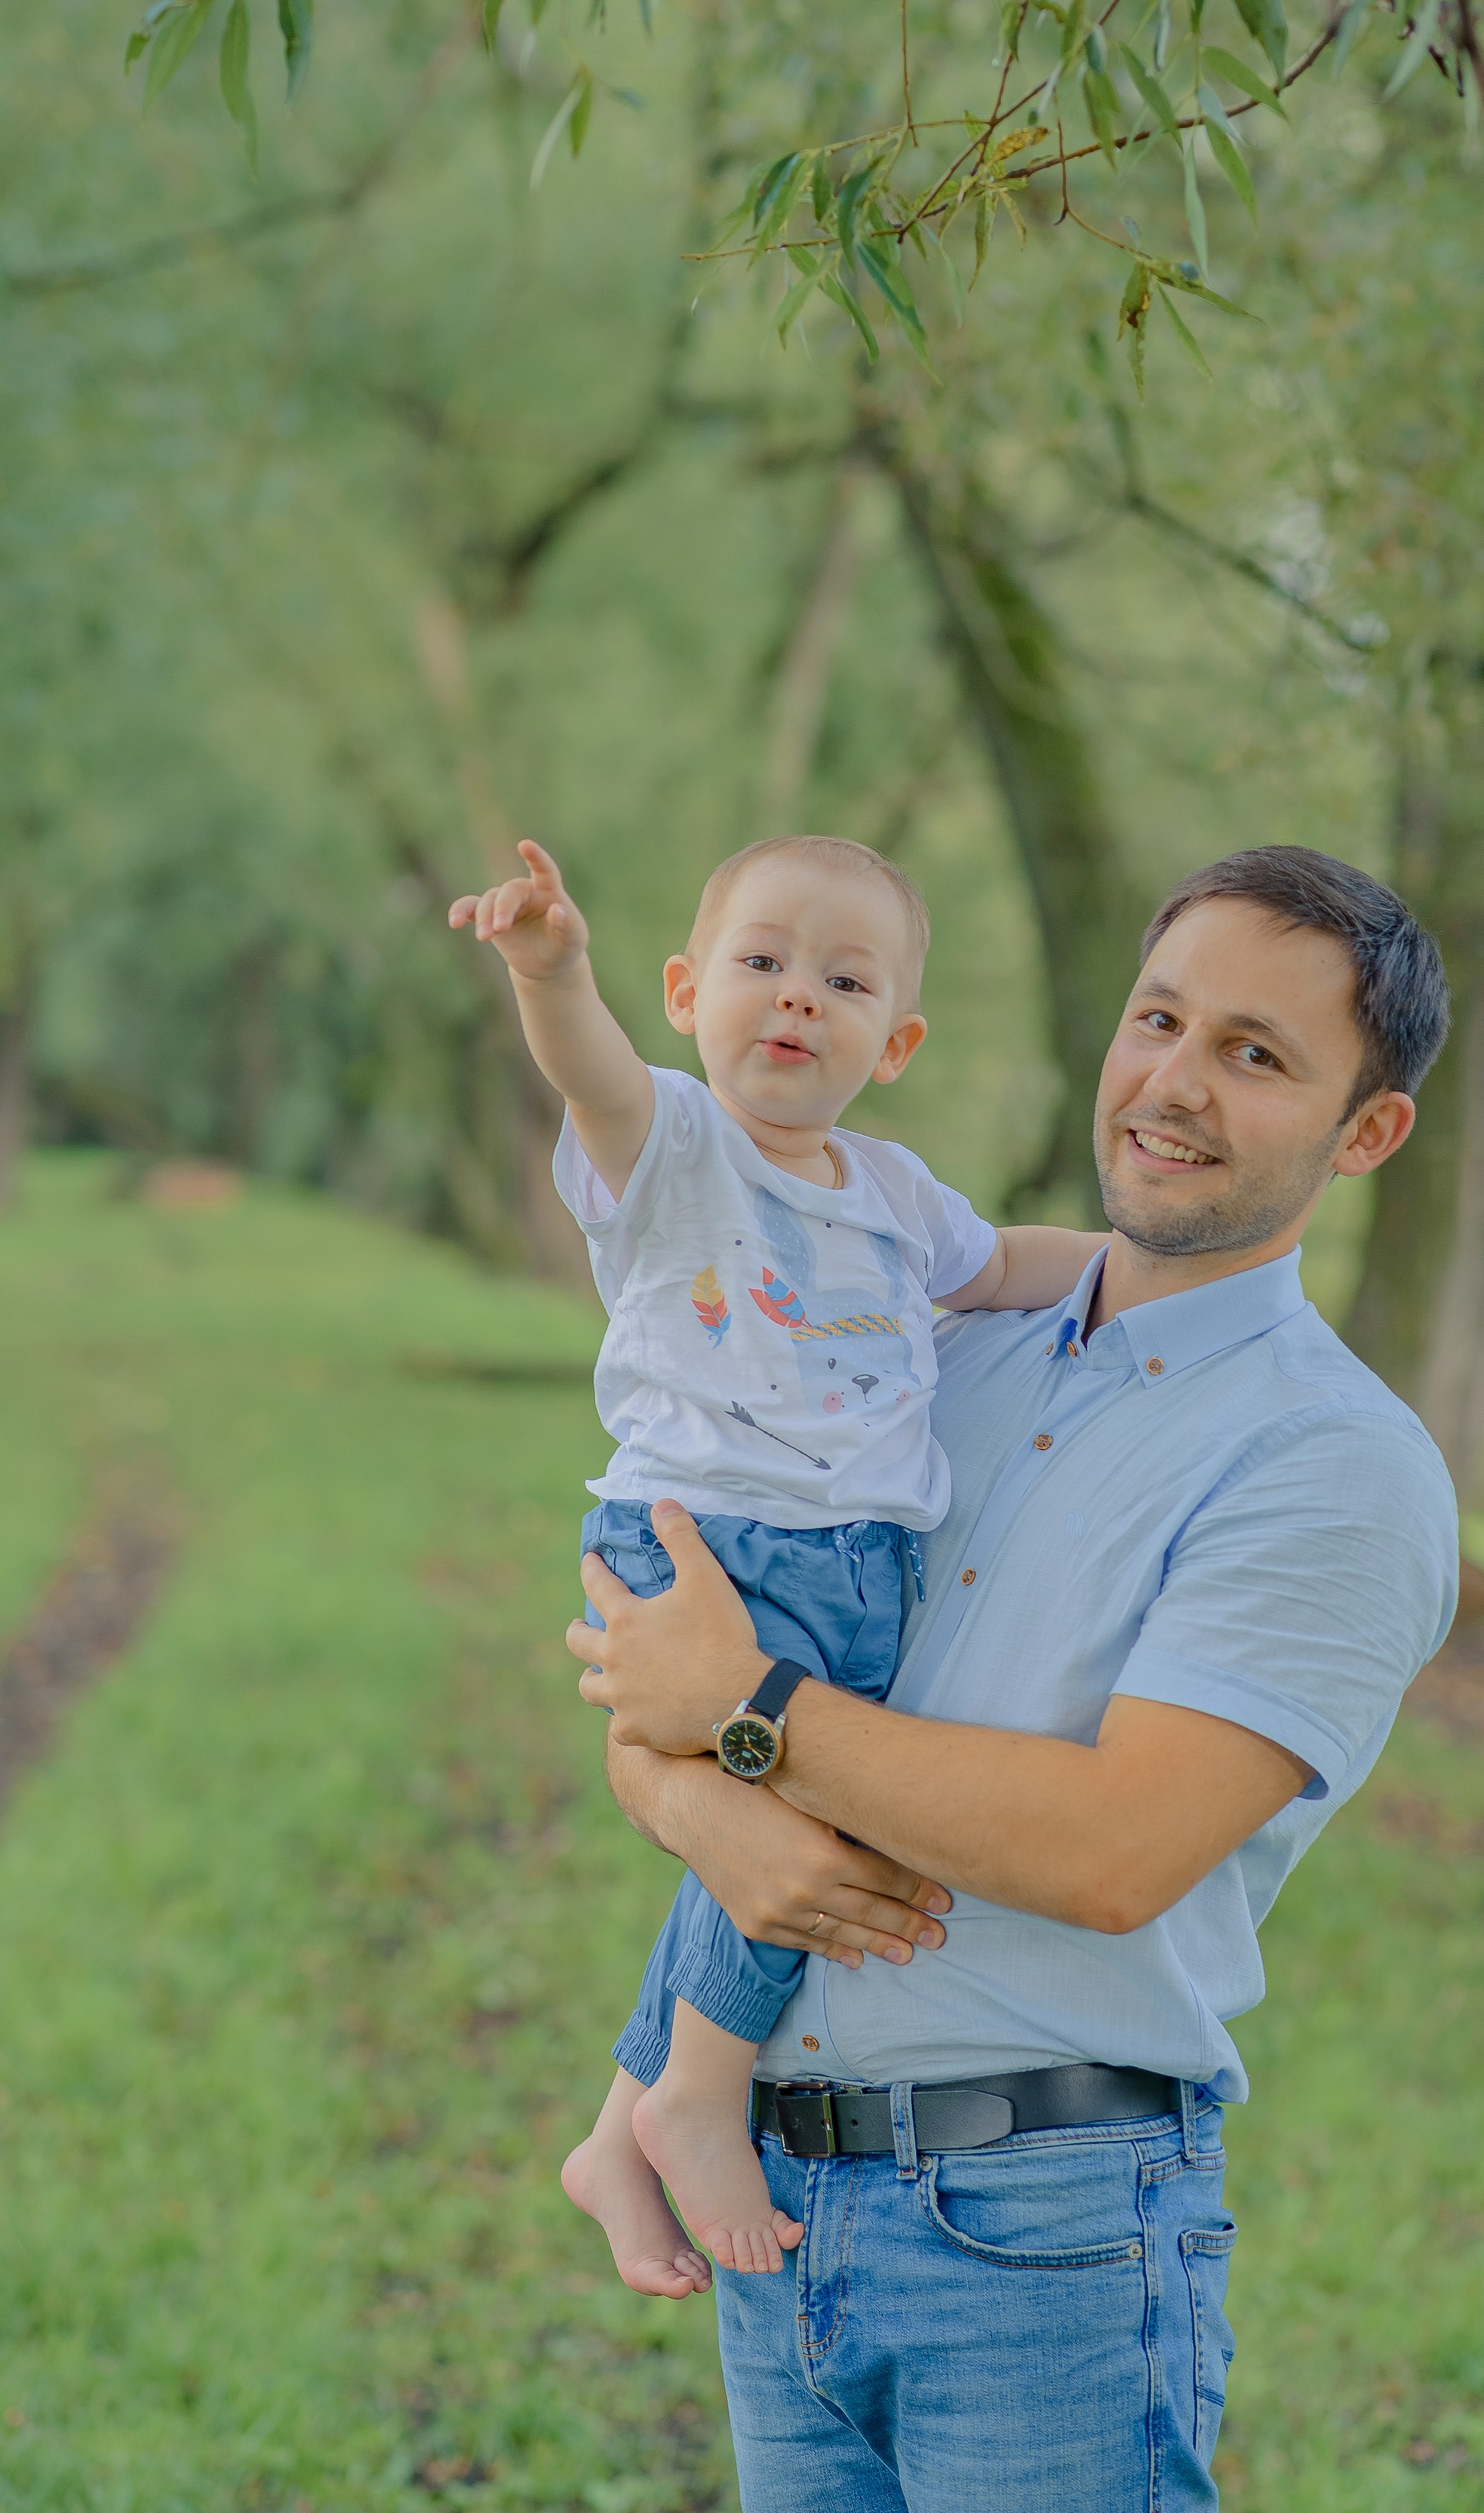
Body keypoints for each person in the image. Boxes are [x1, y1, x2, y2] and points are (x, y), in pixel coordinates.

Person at [569, 844, 1459, 2513]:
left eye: (1257, 1055)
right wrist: (688, 1789)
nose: (1176, 1084)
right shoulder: (917, 1347)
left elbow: (1116, 1846)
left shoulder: (1332, 1463)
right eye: (1158, 1020)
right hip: (787, 2195)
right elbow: (652, 1665)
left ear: (1363, 1134)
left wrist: (745, 1721)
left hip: (1038, 2232)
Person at [449, 834, 1104, 2291]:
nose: (796, 997)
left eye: (844, 979)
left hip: (846, 1559)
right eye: (760, 963)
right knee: (809, 1816)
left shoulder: (896, 1192)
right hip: (710, 1547)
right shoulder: (675, 1142)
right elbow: (592, 1076)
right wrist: (554, 971)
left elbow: (1000, 1269)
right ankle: (693, 2097)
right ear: (687, 992)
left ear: (897, 1039)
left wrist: (1144, 1270)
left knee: (800, 1812)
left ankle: (630, 2122)